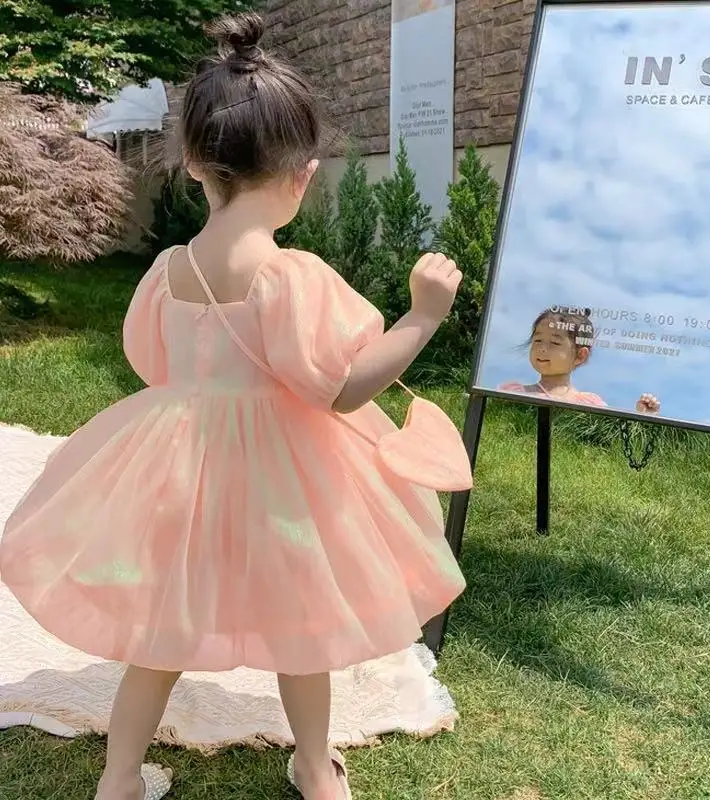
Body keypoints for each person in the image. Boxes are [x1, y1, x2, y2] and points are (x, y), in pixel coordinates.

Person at [0, 12, 469, 800]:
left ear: (193, 164)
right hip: (284, 476)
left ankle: (120, 777)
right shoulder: (287, 275)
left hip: (181, 469)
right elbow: (342, 387)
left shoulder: (167, 270)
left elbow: (151, 362)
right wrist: (422, 317)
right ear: (303, 174)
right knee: (303, 622)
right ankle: (315, 768)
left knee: (161, 627)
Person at [499, 306, 661, 413]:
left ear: (580, 356)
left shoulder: (590, 403)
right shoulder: (515, 393)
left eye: (555, 343)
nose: (542, 348)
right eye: (537, 340)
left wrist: (643, 415)